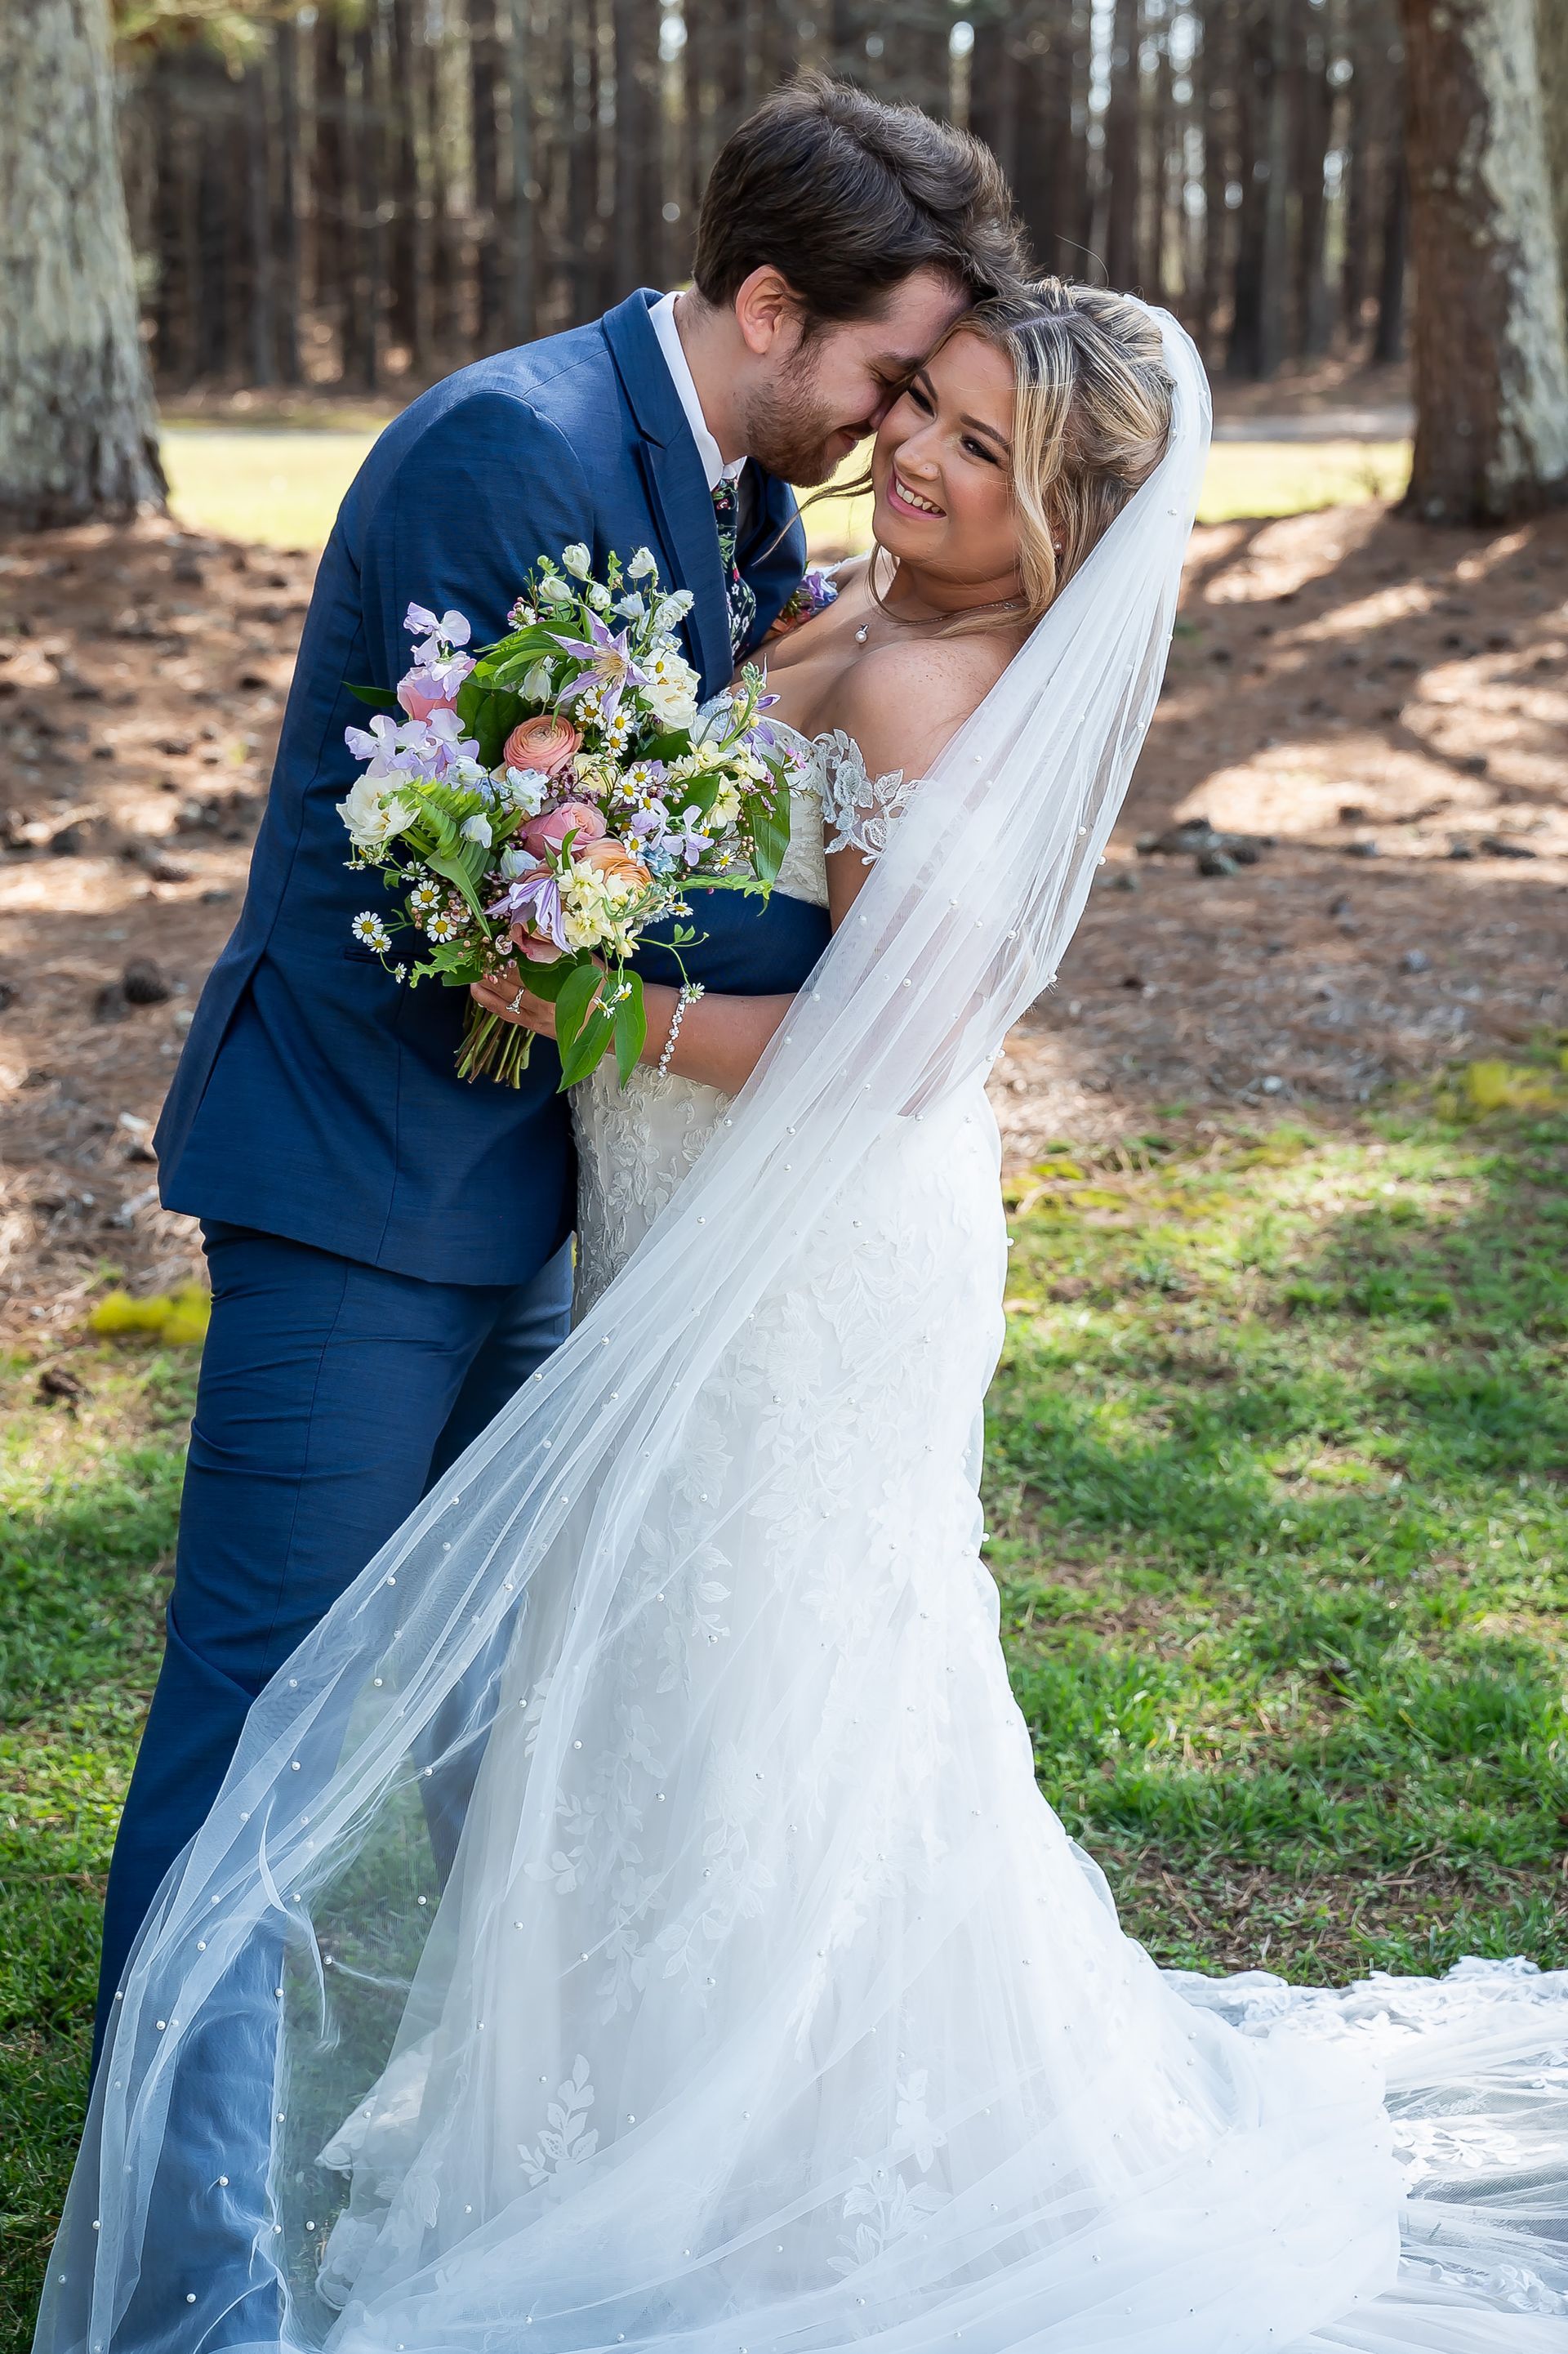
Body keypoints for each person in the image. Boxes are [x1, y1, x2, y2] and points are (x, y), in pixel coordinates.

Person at [43, 276, 1568, 2354]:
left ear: (1065, 515)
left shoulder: (948, 687)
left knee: (778, 1666)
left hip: (814, 1244)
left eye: (975, 451)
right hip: (674, 1209)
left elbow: (898, 1045)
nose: (917, 462)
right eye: (920, 407)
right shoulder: (836, 596)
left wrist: (593, 992)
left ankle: (786, 2148)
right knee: (660, 1663)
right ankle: (628, 2101)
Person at [97, 74, 1026, 2053]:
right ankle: (187, 2271)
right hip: (363, 1179)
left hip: (554, 1195)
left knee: (523, 1704)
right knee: (262, 1716)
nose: (890, 431)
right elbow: (486, 868)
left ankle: (523, 2138)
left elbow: (682, 843)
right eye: (888, 375)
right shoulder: (506, 456)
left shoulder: (746, 496)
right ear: (770, 308)